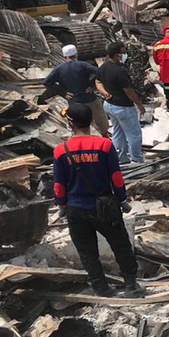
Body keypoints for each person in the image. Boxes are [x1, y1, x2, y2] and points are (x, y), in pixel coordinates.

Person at [53, 102, 145, 298]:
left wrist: (61, 205)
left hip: (75, 209)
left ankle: (101, 289)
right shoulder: (104, 145)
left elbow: (59, 184)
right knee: (120, 245)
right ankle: (131, 285)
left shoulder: (61, 150)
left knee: (87, 252)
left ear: (71, 124)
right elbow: (116, 177)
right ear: (90, 121)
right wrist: (122, 199)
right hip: (105, 206)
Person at [43, 44, 109, 138]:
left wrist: (63, 92)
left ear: (64, 56)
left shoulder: (59, 69)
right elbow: (100, 72)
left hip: (74, 102)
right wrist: (91, 85)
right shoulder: (83, 65)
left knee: (80, 125)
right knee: (100, 121)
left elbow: (47, 82)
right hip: (89, 98)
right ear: (76, 54)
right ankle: (104, 139)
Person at [96, 41, 146, 164]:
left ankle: (121, 158)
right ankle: (137, 159)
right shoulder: (120, 71)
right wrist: (139, 105)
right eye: (123, 52)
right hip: (123, 107)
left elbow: (97, 81)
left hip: (109, 105)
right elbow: (128, 91)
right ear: (117, 54)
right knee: (134, 134)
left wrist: (104, 93)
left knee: (118, 132)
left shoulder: (103, 66)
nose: (125, 54)